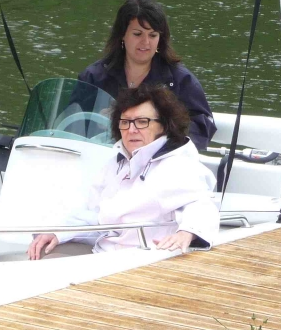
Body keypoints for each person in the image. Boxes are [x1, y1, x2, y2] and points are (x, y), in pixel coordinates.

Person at [27, 85, 219, 259]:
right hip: (103, 253)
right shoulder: (115, 164)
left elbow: (201, 204)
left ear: (163, 125)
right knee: (40, 254)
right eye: (125, 122)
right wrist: (58, 232)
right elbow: (97, 216)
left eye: (142, 122)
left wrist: (187, 232)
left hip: (145, 258)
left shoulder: (178, 166)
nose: (132, 130)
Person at [79, 0, 216, 150]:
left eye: (153, 35)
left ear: (160, 39)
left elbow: (202, 125)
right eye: (138, 34)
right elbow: (72, 123)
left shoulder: (181, 81)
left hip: (158, 165)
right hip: (100, 160)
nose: (145, 42)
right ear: (122, 35)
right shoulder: (92, 77)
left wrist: (166, 143)